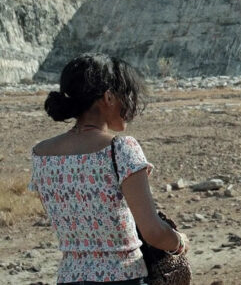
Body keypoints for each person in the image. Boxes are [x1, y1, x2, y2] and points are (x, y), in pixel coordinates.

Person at [30, 53, 189, 285]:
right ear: (108, 97)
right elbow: (153, 232)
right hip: (124, 277)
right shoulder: (120, 148)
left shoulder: (41, 154)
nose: (131, 104)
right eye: (127, 95)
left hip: (69, 278)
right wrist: (179, 242)